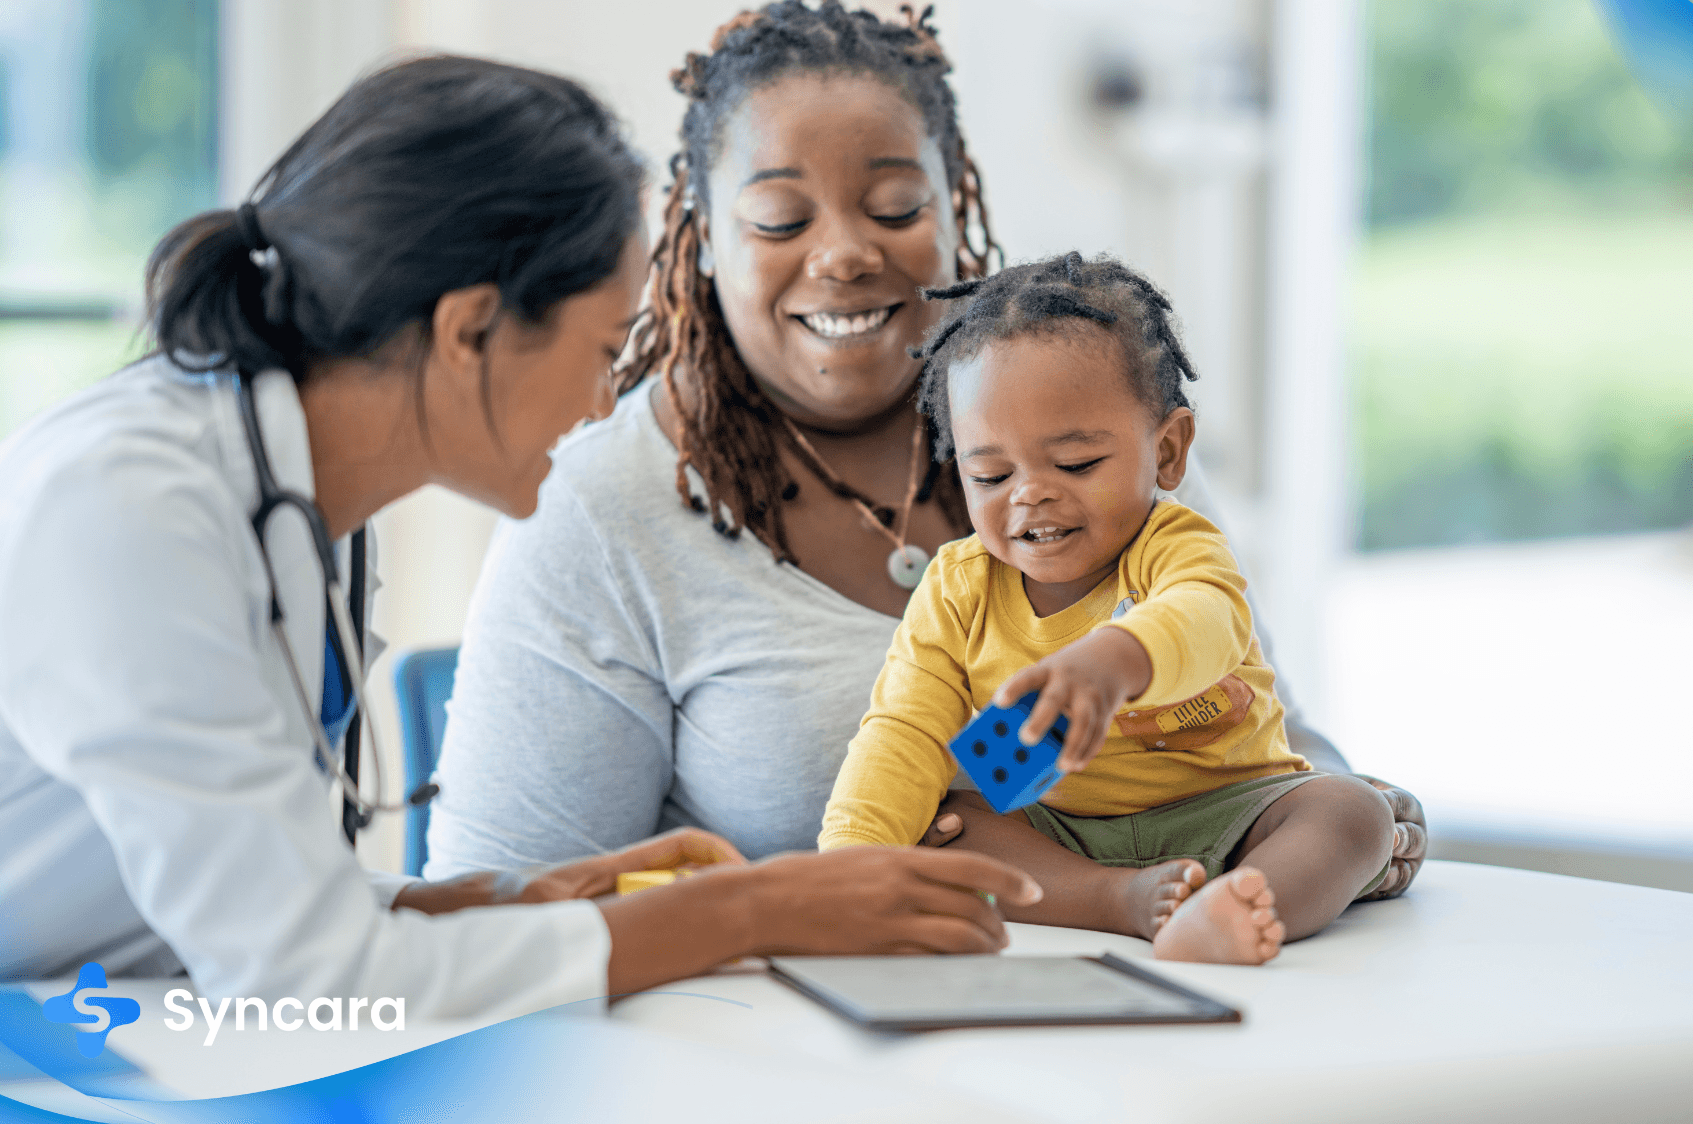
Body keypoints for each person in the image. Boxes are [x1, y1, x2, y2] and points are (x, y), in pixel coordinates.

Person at [0, 55, 1036, 1015]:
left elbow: (246, 906)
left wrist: (496, 901)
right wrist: (754, 907)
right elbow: (307, 978)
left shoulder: (299, 507)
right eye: (604, 345)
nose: (606, 393)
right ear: (469, 328)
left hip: (97, 1020)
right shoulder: (122, 511)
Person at [426, 2, 1425, 898]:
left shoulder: (1097, 427)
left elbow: (1258, 717)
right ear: (698, 238)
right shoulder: (601, 510)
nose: (845, 252)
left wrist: (1346, 809)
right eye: (778, 217)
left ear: (958, 208)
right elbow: (503, 910)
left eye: (896, 208)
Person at [819, 253, 1393, 965]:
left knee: (1352, 813)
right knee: (947, 824)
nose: (1029, 494)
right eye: (992, 474)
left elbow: (1208, 619)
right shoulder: (958, 590)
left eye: (1076, 464)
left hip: (1233, 813)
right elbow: (901, 734)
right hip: (1067, 839)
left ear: (1169, 452)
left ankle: (1241, 902)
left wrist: (1117, 659)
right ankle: (1119, 902)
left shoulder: (1176, 544)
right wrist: (845, 870)